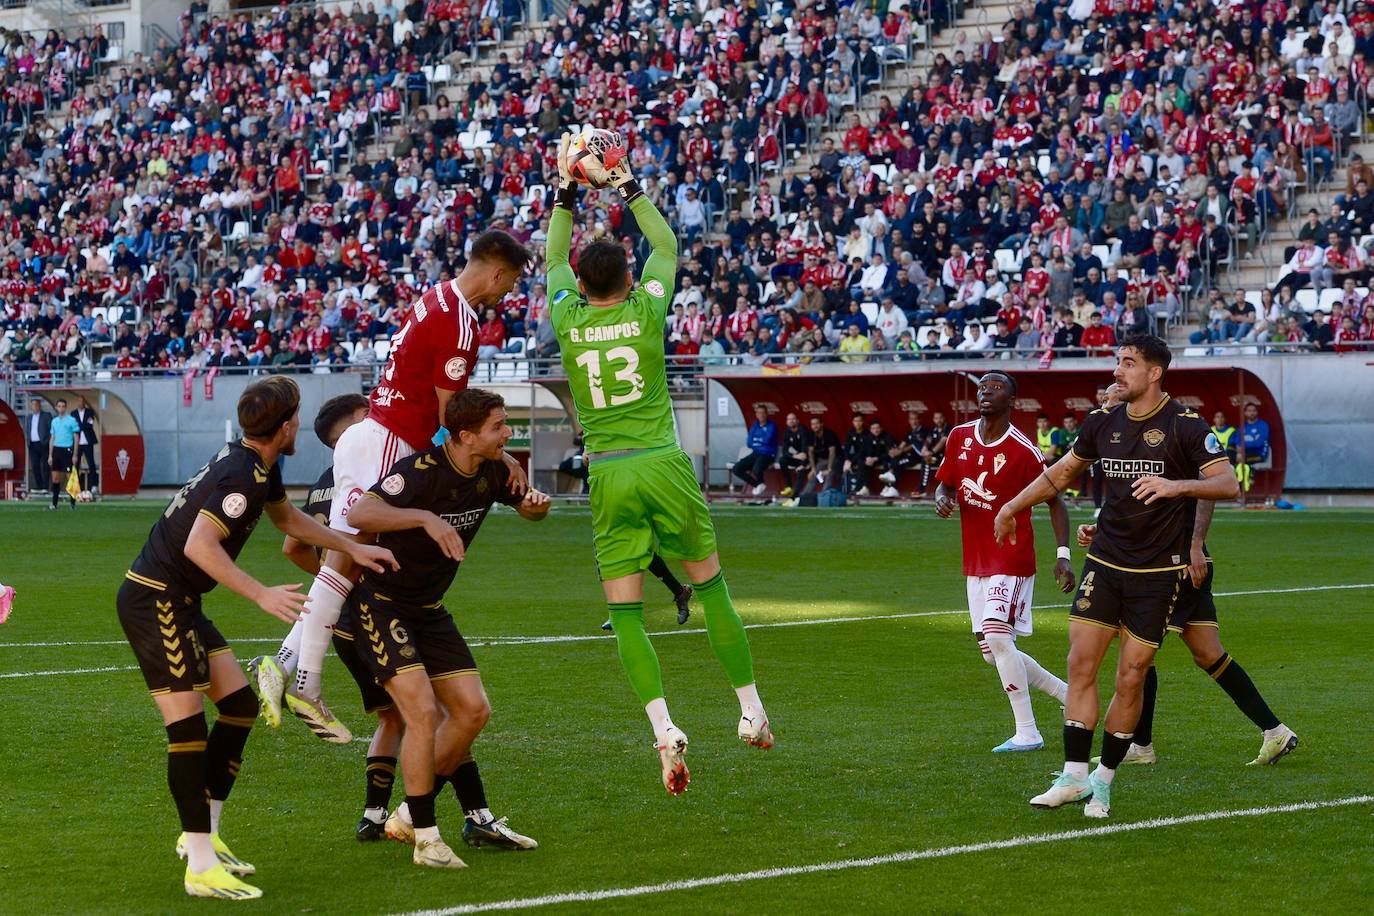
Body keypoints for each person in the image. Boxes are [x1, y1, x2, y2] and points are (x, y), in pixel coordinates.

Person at [547, 132, 773, 795]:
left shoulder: (568, 319)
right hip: (663, 460)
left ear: (584, 285)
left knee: (624, 615)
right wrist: (625, 185)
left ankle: (662, 726)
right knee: (712, 588)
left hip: (609, 470)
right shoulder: (647, 308)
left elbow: (553, 259)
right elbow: (667, 247)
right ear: (627, 277)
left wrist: (566, 189)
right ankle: (751, 710)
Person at [115, 376, 397, 899]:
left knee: (241, 705)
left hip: (178, 600)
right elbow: (201, 545)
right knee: (187, 730)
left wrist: (350, 548)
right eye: (297, 416)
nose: (298, 424)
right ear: (286, 424)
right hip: (155, 601)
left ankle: (206, 837)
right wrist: (260, 594)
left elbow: (287, 518)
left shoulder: (257, 462)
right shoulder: (244, 474)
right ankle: (199, 864)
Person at [257, 229, 531, 743]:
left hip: (377, 433)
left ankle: (288, 664)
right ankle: (305, 680)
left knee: (348, 558)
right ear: (497, 273)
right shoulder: (461, 322)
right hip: (390, 440)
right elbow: (455, 410)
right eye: (510, 282)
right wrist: (498, 454)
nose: (507, 293)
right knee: (350, 555)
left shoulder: (437, 295)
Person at [994, 335, 1239, 819]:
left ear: (1154, 373)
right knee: (1080, 665)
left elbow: (1226, 483)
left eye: (1128, 363)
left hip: (1158, 573)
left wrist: (1175, 486)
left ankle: (1103, 782)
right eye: (1117, 362)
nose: (1118, 371)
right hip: (1105, 563)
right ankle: (1073, 775)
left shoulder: (1186, 425)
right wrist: (1010, 506)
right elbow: (1060, 473)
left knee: (1132, 677)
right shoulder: (1102, 421)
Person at [344, 389, 548, 867]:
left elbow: (531, 511)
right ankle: (427, 837)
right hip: (382, 605)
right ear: (465, 435)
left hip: (429, 609)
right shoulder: (421, 473)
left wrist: (537, 504)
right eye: (499, 426)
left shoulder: (494, 470)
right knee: (420, 713)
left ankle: (407, 816)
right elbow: (359, 514)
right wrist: (424, 518)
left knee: (473, 712)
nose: (507, 433)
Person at [1077, 452, 1297, 768]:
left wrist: (1194, 546)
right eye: (1102, 397)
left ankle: (1139, 745)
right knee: (1208, 653)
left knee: (1137, 650)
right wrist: (1100, 529)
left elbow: (1210, 483)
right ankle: (1275, 731)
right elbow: (1135, 509)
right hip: (1166, 560)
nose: (1106, 401)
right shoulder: (1128, 437)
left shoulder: (1172, 429)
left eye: (1108, 397)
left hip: (1176, 563)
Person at [252, 393, 395, 840]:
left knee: (399, 714)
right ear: (354, 425)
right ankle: (443, 816)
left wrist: (331, 582)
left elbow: (293, 547)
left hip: (335, 619)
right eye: (368, 414)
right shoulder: (376, 474)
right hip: (376, 612)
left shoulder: (322, 482)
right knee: (427, 708)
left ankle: (284, 662)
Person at [934, 372, 1076, 752]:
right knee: (993, 653)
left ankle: (1027, 731)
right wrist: (941, 497)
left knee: (998, 637)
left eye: (996, 389)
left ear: (1012, 400)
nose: (985, 393)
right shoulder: (959, 437)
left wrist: (1063, 556)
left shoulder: (1023, 449)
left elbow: (1056, 501)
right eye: (982, 387)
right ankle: (1068, 695)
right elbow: (945, 482)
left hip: (1011, 555)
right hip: (976, 558)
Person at [733, 405, 778, 495]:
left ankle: (760, 487)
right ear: (756, 414)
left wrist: (756, 441)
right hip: (756, 453)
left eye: (763, 413)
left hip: (768, 454)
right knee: (737, 468)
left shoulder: (771, 425)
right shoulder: (755, 424)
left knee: (756, 469)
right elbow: (749, 443)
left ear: (766, 414)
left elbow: (767, 440)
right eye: (759, 413)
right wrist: (759, 443)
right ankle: (758, 484)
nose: (761, 415)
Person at [48, 398, 80, 510]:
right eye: (59, 406)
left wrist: (75, 454)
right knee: (55, 478)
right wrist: (50, 455)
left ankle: (72, 503)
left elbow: (76, 437)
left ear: (65, 408)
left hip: (67, 450)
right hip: (57, 450)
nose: (61, 408)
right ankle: (54, 504)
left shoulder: (71, 420)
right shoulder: (54, 421)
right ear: (56, 407)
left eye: (63, 406)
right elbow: (52, 438)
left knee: (70, 477)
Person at [1238, 402, 1270, 493]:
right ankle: (1243, 483)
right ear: (1245, 413)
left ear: (1257, 412)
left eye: (1254, 411)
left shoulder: (1263, 425)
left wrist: (1244, 446)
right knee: (1235, 460)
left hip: (1260, 454)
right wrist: (1240, 450)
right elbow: (1238, 442)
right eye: (1249, 411)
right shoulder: (1242, 426)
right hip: (1245, 455)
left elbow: (1259, 443)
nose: (1251, 413)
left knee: (1240, 460)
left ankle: (1243, 484)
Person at [73, 395, 100, 497]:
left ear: (84, 402)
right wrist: (81, 426)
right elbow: (74, 427)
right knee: (76, 464)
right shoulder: (73, 413)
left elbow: (89, 425)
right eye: (78, 401)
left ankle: (94, 485)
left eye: (82, 401)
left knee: (91, 463)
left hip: (88, 442)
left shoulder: (90, 412)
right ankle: (76, 486)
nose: (80, 403)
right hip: (77, 443)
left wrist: (79, 426)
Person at [26, 397, 51, 492]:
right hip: (33, 445)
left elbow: (51, 430)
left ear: (40, 406)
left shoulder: (46, 415)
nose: (34, 407)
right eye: (32, 405)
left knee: (45, 466)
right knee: (35, 466)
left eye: (36, 404)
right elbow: (27, 430)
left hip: (43, 444)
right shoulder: (29, 417)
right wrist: (28, 441)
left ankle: (45, 487)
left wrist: (47, 441)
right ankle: (39, 486)